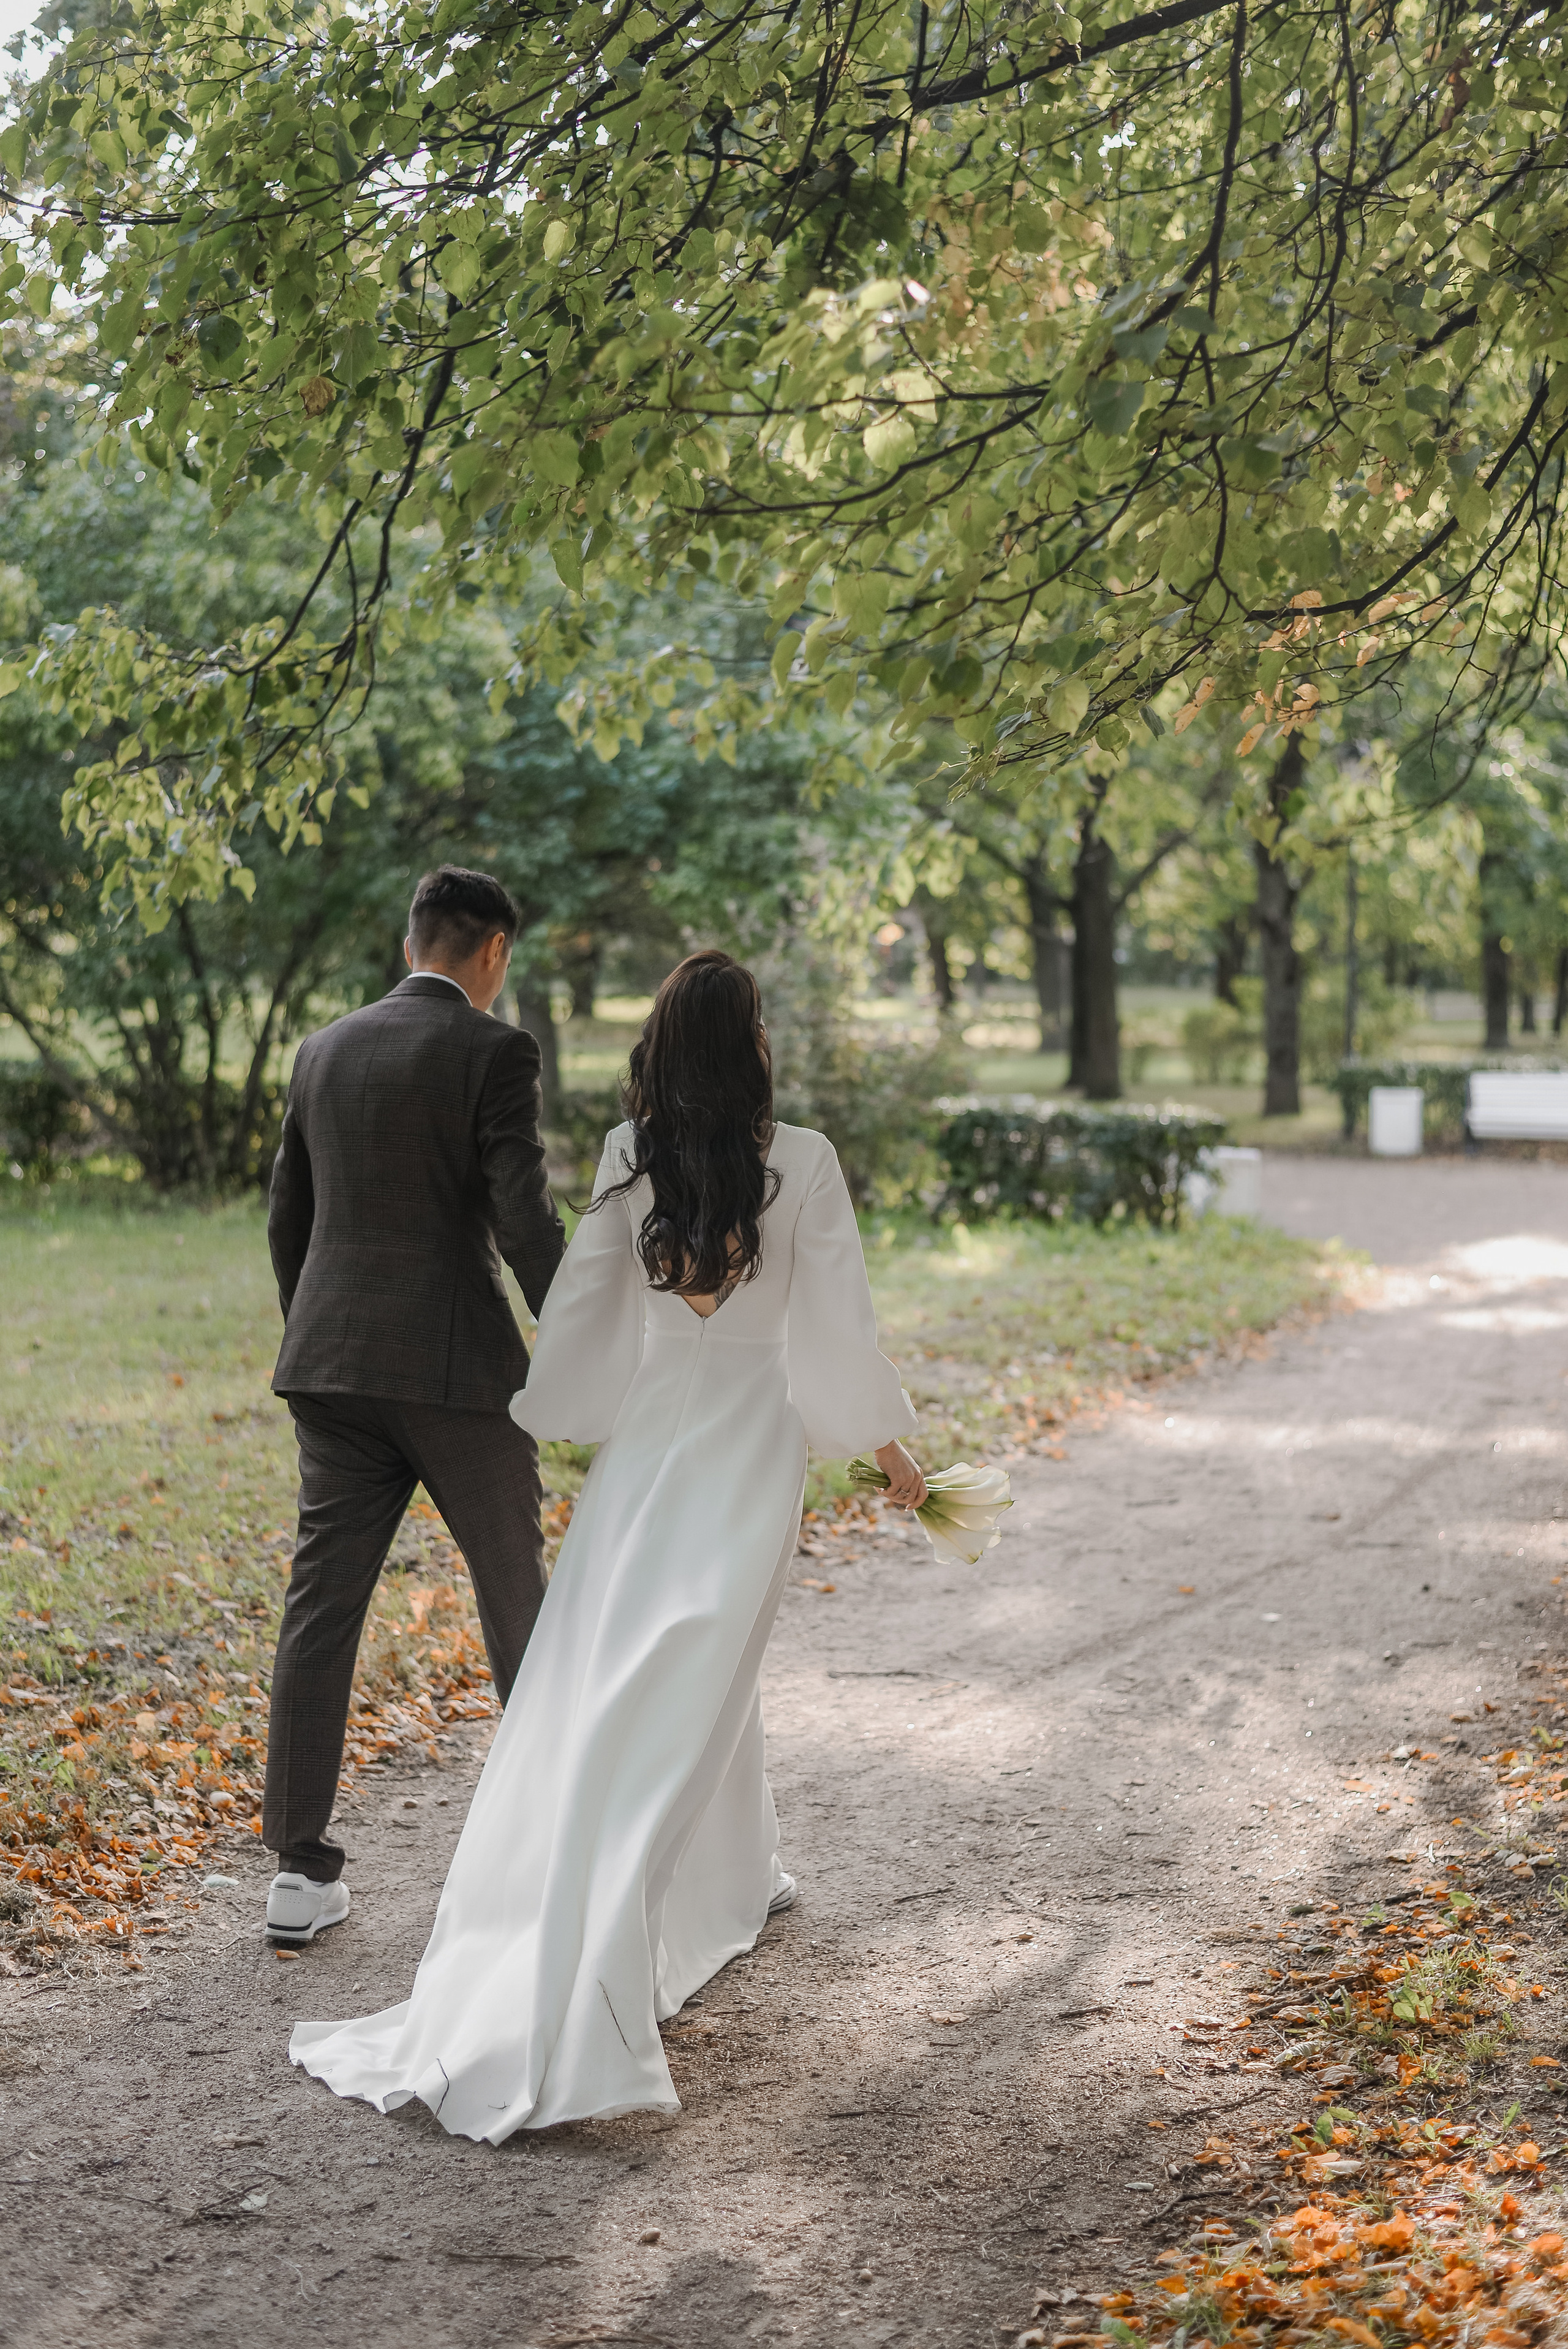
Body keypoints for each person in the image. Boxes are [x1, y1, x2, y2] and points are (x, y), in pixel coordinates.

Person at [290, 949, 926, 2138]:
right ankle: (598, 1945)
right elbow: (837, 1332)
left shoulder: (629, 1161)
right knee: (694, 1678)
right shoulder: (804, 1163)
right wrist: (891, 1454)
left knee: (674, 1671)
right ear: (752, 1048)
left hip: (646, 1456)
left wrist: (565, 1415)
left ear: (656, 1049)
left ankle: (737, 1875)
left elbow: (580, 1305)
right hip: (746, 1452)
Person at [262, 865, 564, 1946]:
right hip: (457, 1374)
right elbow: (523, 1218)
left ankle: (297, 1873)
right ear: (490, 952)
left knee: (321, 1605)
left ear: (411, 942)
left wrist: (325, 1334)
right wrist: (578, 1345)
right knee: (515, 1593)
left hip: (332, 1365)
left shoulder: (322, 1049)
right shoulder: (496, 1049)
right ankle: (550, 1845)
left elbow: (285, 1220)